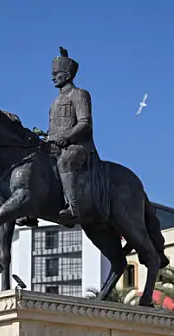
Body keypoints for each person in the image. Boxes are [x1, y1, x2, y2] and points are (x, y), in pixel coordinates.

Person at [46, 46, 108, 223]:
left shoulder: (79, 94)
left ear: (67, 75)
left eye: (57, 74)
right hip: (55, 146)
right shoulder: (55, 101)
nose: (53, 77)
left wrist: (68, 137)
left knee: (65, 163)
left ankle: (73, 206)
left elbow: (84, 123)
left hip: (79, 147)